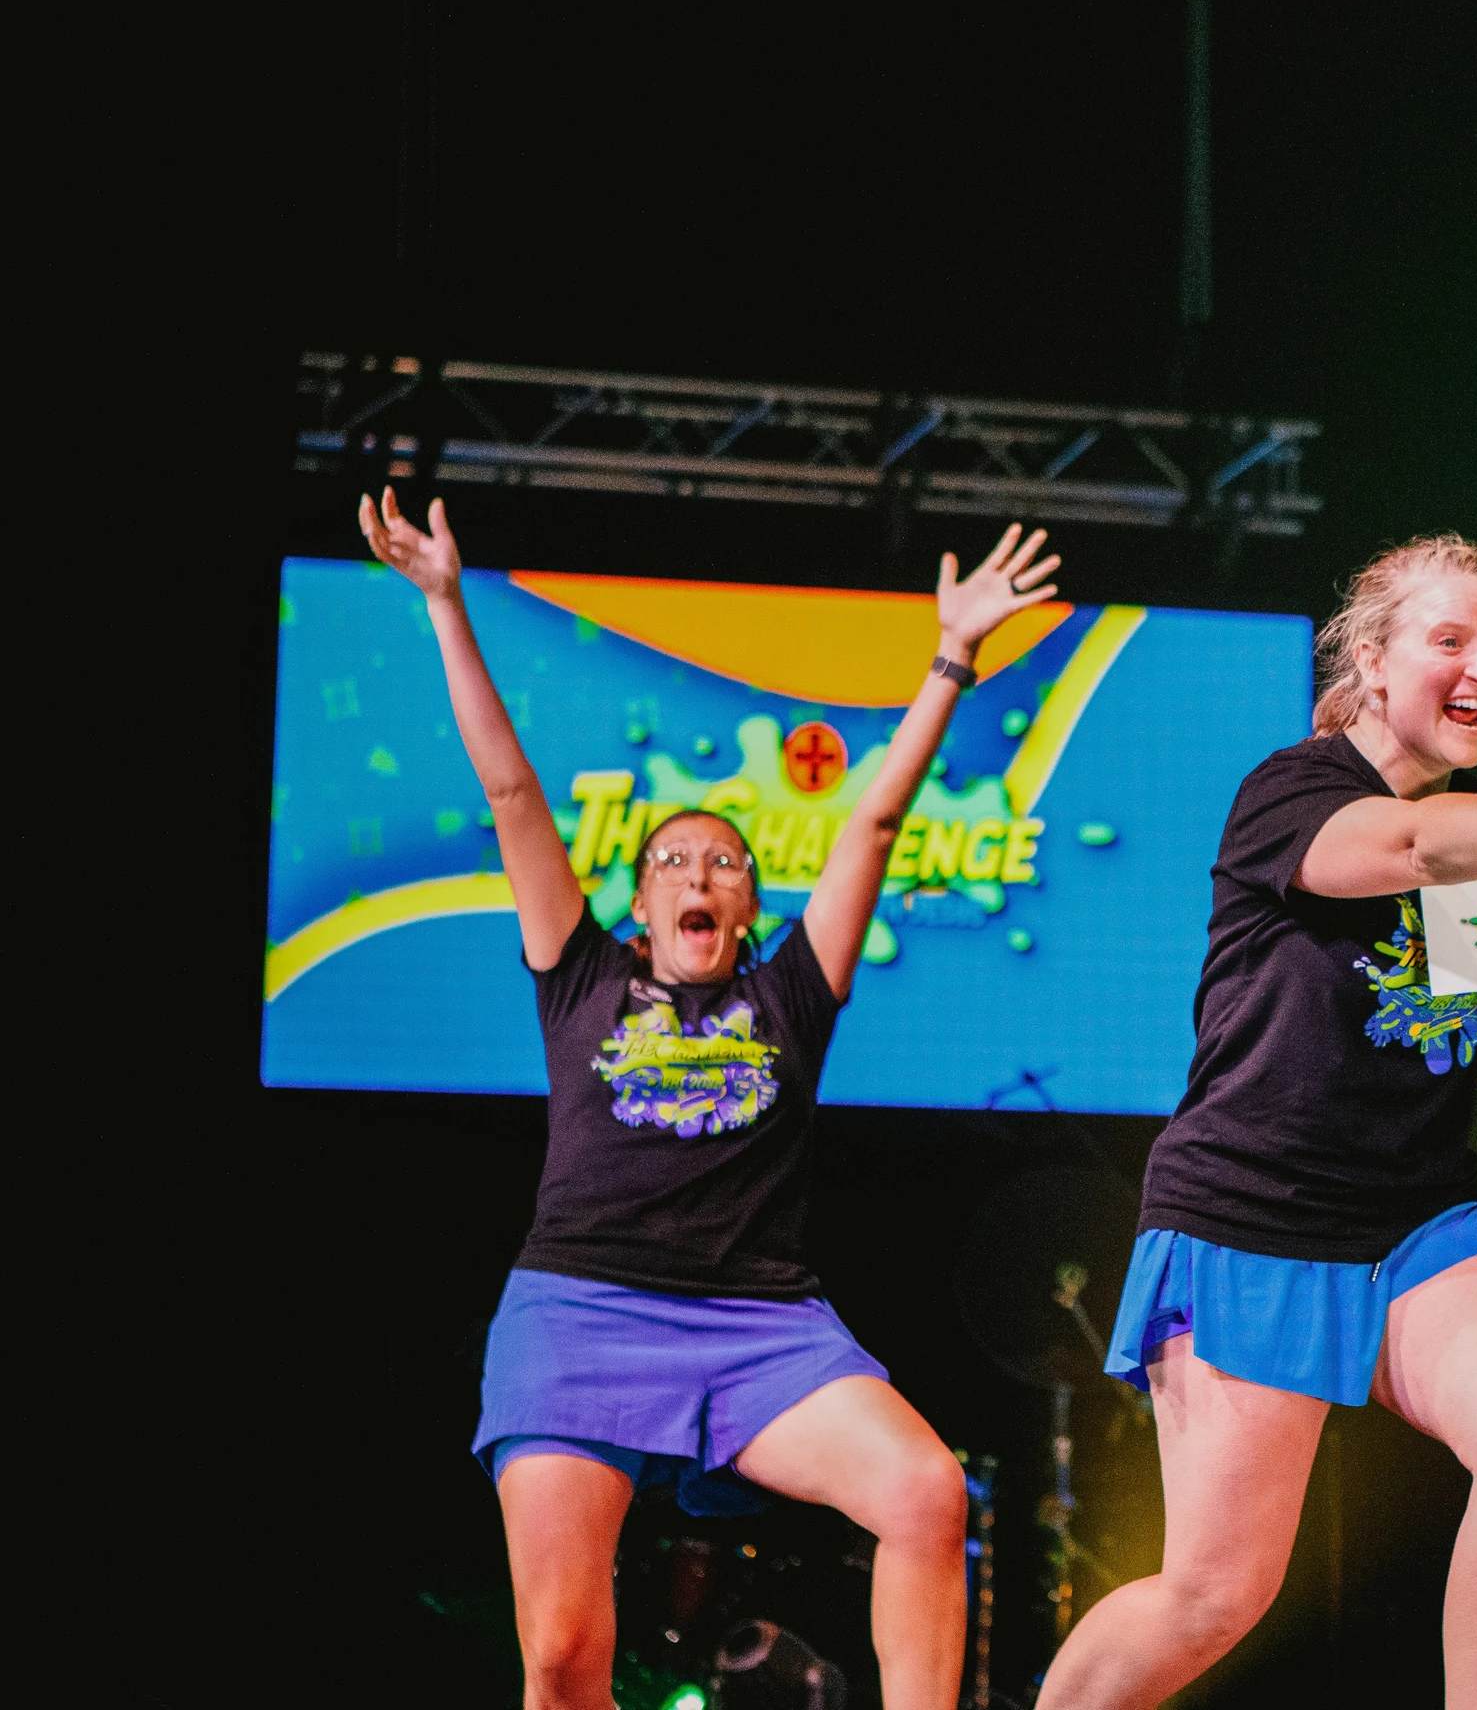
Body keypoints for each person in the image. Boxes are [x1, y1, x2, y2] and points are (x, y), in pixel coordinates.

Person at [361, 486, 1060, 1710]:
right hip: (577, 1316)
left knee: (926, 1494)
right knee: (567, 1657)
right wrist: (443, 603)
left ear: (748, 909)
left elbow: (879, 820)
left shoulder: (792, 991)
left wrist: (953, 658)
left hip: (761, 1331)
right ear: (639, 910)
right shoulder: (580, 976)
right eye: (673, 860)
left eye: (724, 863)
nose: (699, 871)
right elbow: (516, 794)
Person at [1037, 533, 1477, 1709]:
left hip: (1419, 1217)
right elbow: (1410, 845)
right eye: (1451, 641)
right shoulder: (1296, 788)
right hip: (1251, 1217)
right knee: (1217, 1593)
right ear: (1373, 664)